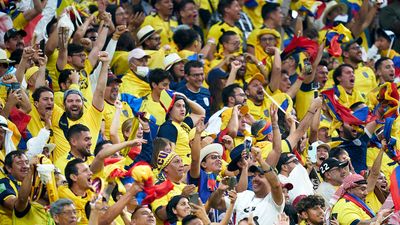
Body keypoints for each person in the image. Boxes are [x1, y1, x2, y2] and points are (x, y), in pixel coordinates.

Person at [210, 147, 284, 225]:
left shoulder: (274, 200)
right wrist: (219, 191)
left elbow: (276, 185)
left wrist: (260, 160)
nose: (255, 179)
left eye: (260, 175)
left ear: (270, 181)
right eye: (254, 175)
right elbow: (215, 204)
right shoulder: (244, 195)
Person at [58, 158, 94, 225]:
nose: (91, 173)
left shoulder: (95, 197)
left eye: (89, 170)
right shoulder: (61, 196)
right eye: (85, 171)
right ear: (74, 177)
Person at [0, 151, 29, 225]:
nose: (25, 166)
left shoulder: (27, 183)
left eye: (27, 162)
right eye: (19, 163)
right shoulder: (1, 184)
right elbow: (16, 206)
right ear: (9, 168)